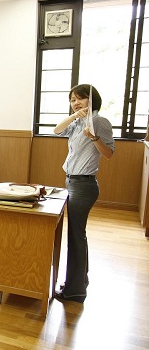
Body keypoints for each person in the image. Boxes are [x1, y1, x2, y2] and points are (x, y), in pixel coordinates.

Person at [53, 84, 114, 303]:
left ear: (92, 99)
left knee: (76, 238)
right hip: (72, 181)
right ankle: (79, 282)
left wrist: (94, 138)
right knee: (77, 236)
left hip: (84, 185)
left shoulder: (99, 121)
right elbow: (57, 130)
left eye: (81, 98)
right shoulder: (77, 122)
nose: (76, 103)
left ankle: (75, 291)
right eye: (72, 100)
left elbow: (109, 153)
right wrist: (74, 116)